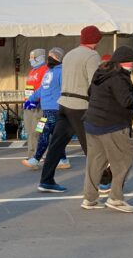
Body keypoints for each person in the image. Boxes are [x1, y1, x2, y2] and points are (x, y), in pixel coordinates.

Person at [38, 26, 111, 193]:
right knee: (91, 146)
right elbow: (95, 82)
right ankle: (103, 181)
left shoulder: (70, 54)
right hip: (80, 105)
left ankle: (46, 180)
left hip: (63, 103)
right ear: (97, 40)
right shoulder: (92, 55)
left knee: (56, 144)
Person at [81, 46, 133, 213]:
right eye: (132, 62)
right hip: (113, 125)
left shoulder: (100, 72)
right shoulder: (119, 77)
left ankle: (89, 198)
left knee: (95, 162)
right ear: (126, 62)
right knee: (123, 161)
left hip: (92, 123)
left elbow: (89, 92)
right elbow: (127, 102)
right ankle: (115, 198)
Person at [21, 48, 67, 170]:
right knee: (55, 136)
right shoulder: (48, 72)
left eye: (52, 57)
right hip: (46, 108)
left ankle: (35, 159)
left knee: (43, 134)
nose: (49, 59)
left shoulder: (60, 72)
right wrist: (30, 99)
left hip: (52, 108)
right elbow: (42, 89)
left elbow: (64, 89)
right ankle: (63, 159)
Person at [22, 48, 47, 158]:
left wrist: (36, 100)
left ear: (40, 58)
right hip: (29, 105)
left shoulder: (46, 70)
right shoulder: (32, 71)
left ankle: (39, 155)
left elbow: (45, 88)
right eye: (30, 58)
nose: (31, 60)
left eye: (33, 58)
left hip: (40, 106)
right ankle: (32, 154)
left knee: (38, 131)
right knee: (30, 131)